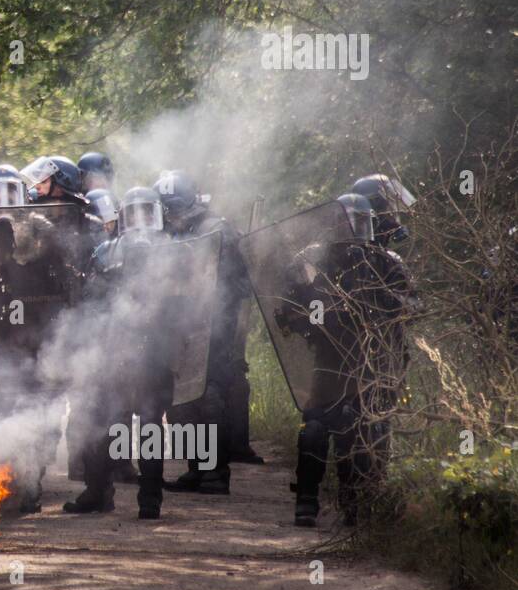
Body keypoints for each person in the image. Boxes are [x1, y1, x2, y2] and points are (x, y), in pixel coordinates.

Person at [280, 193, 417, 526]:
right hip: (328, 364)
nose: (348, 228)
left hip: (373, 365)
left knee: (361, 431)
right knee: (313, 429)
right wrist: (309, 313)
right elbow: (288, 314)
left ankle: (358, 504)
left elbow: (413, 305)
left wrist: (378, 298)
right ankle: (307, 502)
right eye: (341, 221)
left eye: (354, 221)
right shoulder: (314, 264)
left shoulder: (386, 262)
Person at [63, 186, 171, 519]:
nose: (139, 221)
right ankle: (98, 492)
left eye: (146, 212)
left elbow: (192, 304)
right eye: (133, 212)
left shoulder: (176, 252)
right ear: (122, 217)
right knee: (102, 420)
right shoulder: (106, 252)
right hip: (113, 348)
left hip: (155, 350)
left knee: (150, 423)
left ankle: (150, 498)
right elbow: (89, 302)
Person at [155, 170, 252, 494]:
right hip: (178, 329)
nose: (171, 216)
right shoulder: (167, 235)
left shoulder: (218, 231)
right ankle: (196, 468)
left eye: (175, 208)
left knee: (209, 399)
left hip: (213, 329)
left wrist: (215, 309)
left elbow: (239, 283)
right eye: (166, 209)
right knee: (180, 402)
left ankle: (215, 472)